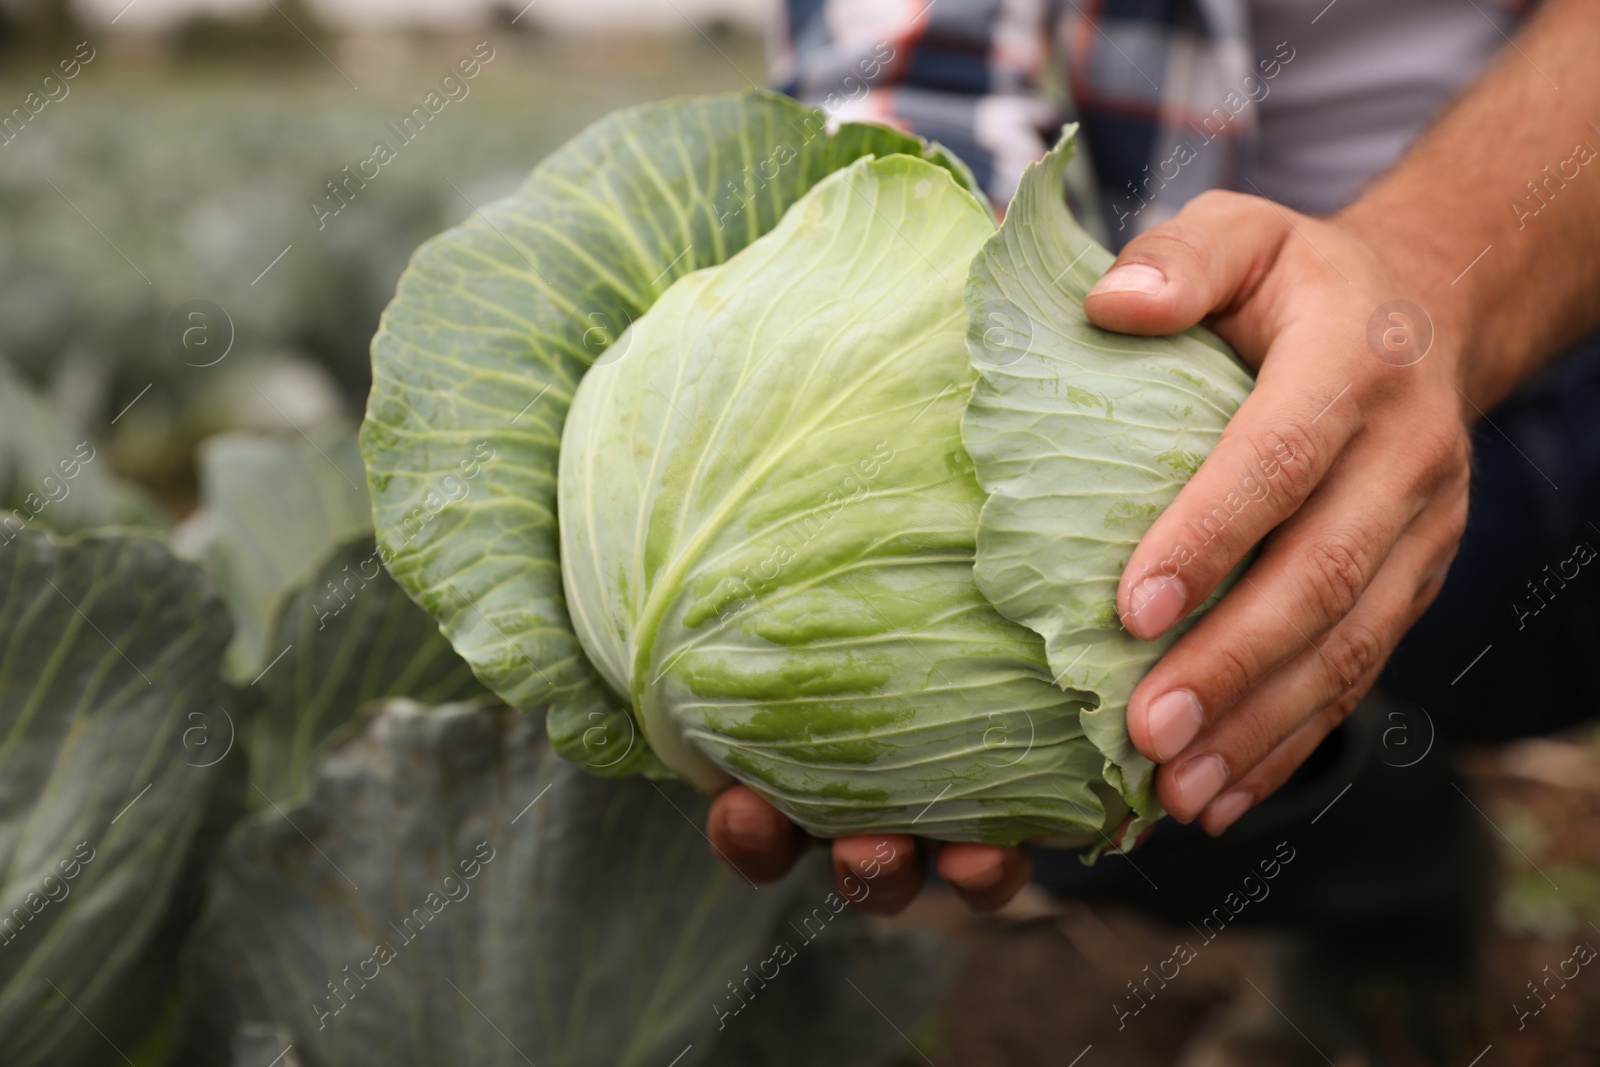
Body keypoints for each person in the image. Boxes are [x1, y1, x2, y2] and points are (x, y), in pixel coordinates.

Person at [703, 0, 1600, 926]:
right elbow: (921, 78)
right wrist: (893, 438)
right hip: (1205, 406)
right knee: (1102, 729)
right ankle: (1382, 884)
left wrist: (1431, 284)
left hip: (1562, 335)